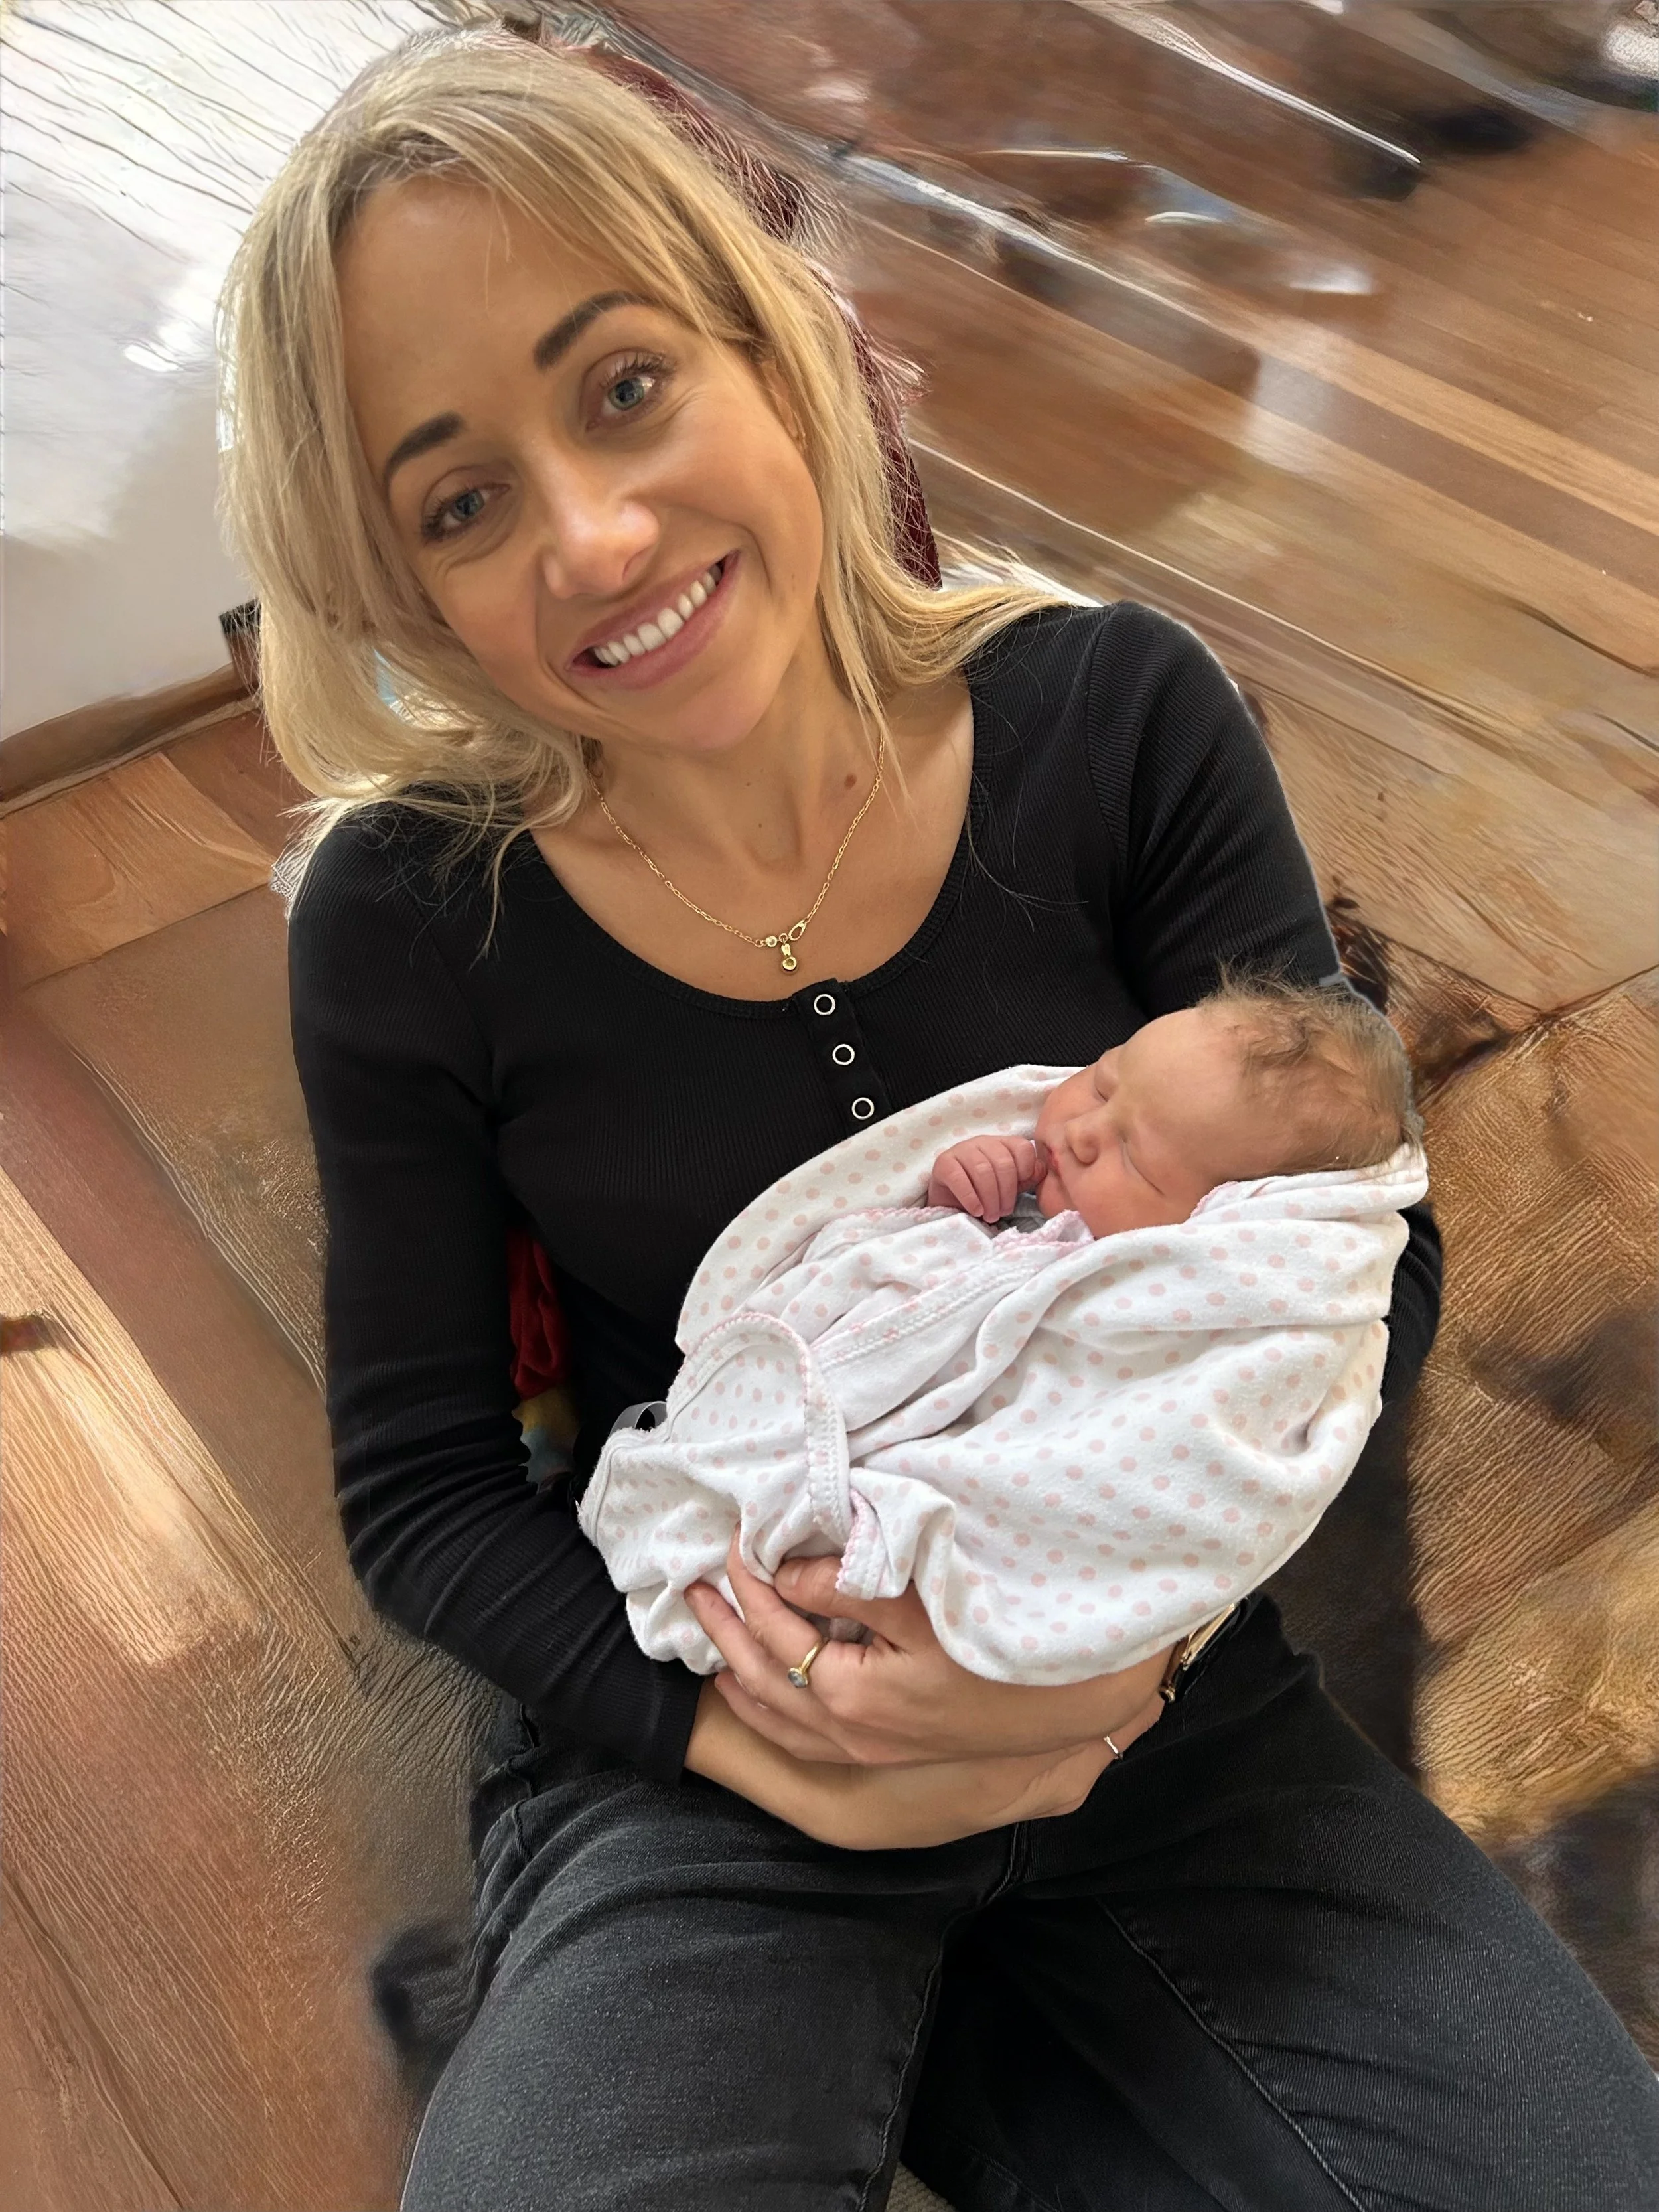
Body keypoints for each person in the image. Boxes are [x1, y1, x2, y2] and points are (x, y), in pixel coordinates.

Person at [218, 25, 1659, 2211]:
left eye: (622, 387)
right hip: (696, 1750)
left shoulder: (1126, 719)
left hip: (1154, 1696)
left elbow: (1370, 1234)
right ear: (397, 587)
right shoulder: (411, 924)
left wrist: (1101, 1646)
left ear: (765, 340)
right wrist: (761, 1729)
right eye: (460, 500)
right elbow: (428, 1496)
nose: (594, 536)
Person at [582, 980, 1427, 1689]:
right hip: (768, 1447)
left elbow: (1113, 1455)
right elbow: (888, 1263)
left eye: (1133, 1158)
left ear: (1220, 1229)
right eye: (1102, 1082)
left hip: (907, 1556)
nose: (1081, 1130)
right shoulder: (1032, 1187)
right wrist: (950, 1199)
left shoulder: (1176, 1318)